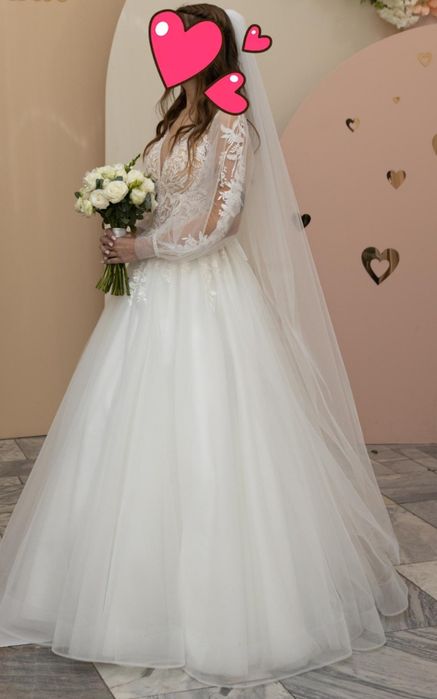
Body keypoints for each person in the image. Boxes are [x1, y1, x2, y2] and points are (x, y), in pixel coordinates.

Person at [0, 3, 409, 689]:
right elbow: (158, 199)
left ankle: (221, 609)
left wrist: (145, 246)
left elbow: (224, 221)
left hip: (206, 294)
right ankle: (113, 593)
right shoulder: (171, 122)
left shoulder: (231, 124)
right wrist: (123, 223)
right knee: (125, 431)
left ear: (212, 52)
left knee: (210, 428)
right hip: (149, 295)